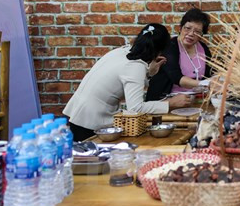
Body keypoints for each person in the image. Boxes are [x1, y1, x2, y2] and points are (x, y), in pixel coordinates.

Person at [64, 23, 192, 141]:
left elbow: (126, 79)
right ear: (160, 51)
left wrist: (149, 72)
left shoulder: (121, 52)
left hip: (79, 113)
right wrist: (170, 103)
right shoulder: (135, 66)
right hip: (89, 120)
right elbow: (135, 108)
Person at [146, 8, 214, 101]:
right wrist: (206, 83)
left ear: (202, 35)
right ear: (180, 28)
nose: (191, 34)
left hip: (196, 100)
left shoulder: (203, 48)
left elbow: (210, 73)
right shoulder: (169, 46)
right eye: (187, 28)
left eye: (197, 32)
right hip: (168, 100)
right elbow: (177, 78)